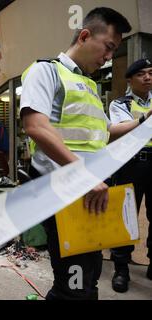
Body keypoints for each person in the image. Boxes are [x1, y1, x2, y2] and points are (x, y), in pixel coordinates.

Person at [21, 7, 151, 300]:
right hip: (63, 193)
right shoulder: (46, 71)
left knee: (88, 277)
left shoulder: (90, 86)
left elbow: (108, 131)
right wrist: (82, 174)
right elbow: (35, 126)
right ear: (84, 36)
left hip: (89, 195)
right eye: (108, 48)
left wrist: (145, 120)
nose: (108, 57)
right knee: (74, 287)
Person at [109, 58, 152, 293]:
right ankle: (121, 269)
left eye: (151, 73)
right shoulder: (120, 104)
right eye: (141, 74)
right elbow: (122, 130)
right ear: (130, 79)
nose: (147, 77)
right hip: (132, 164)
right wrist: (147, 116)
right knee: (126, 217)